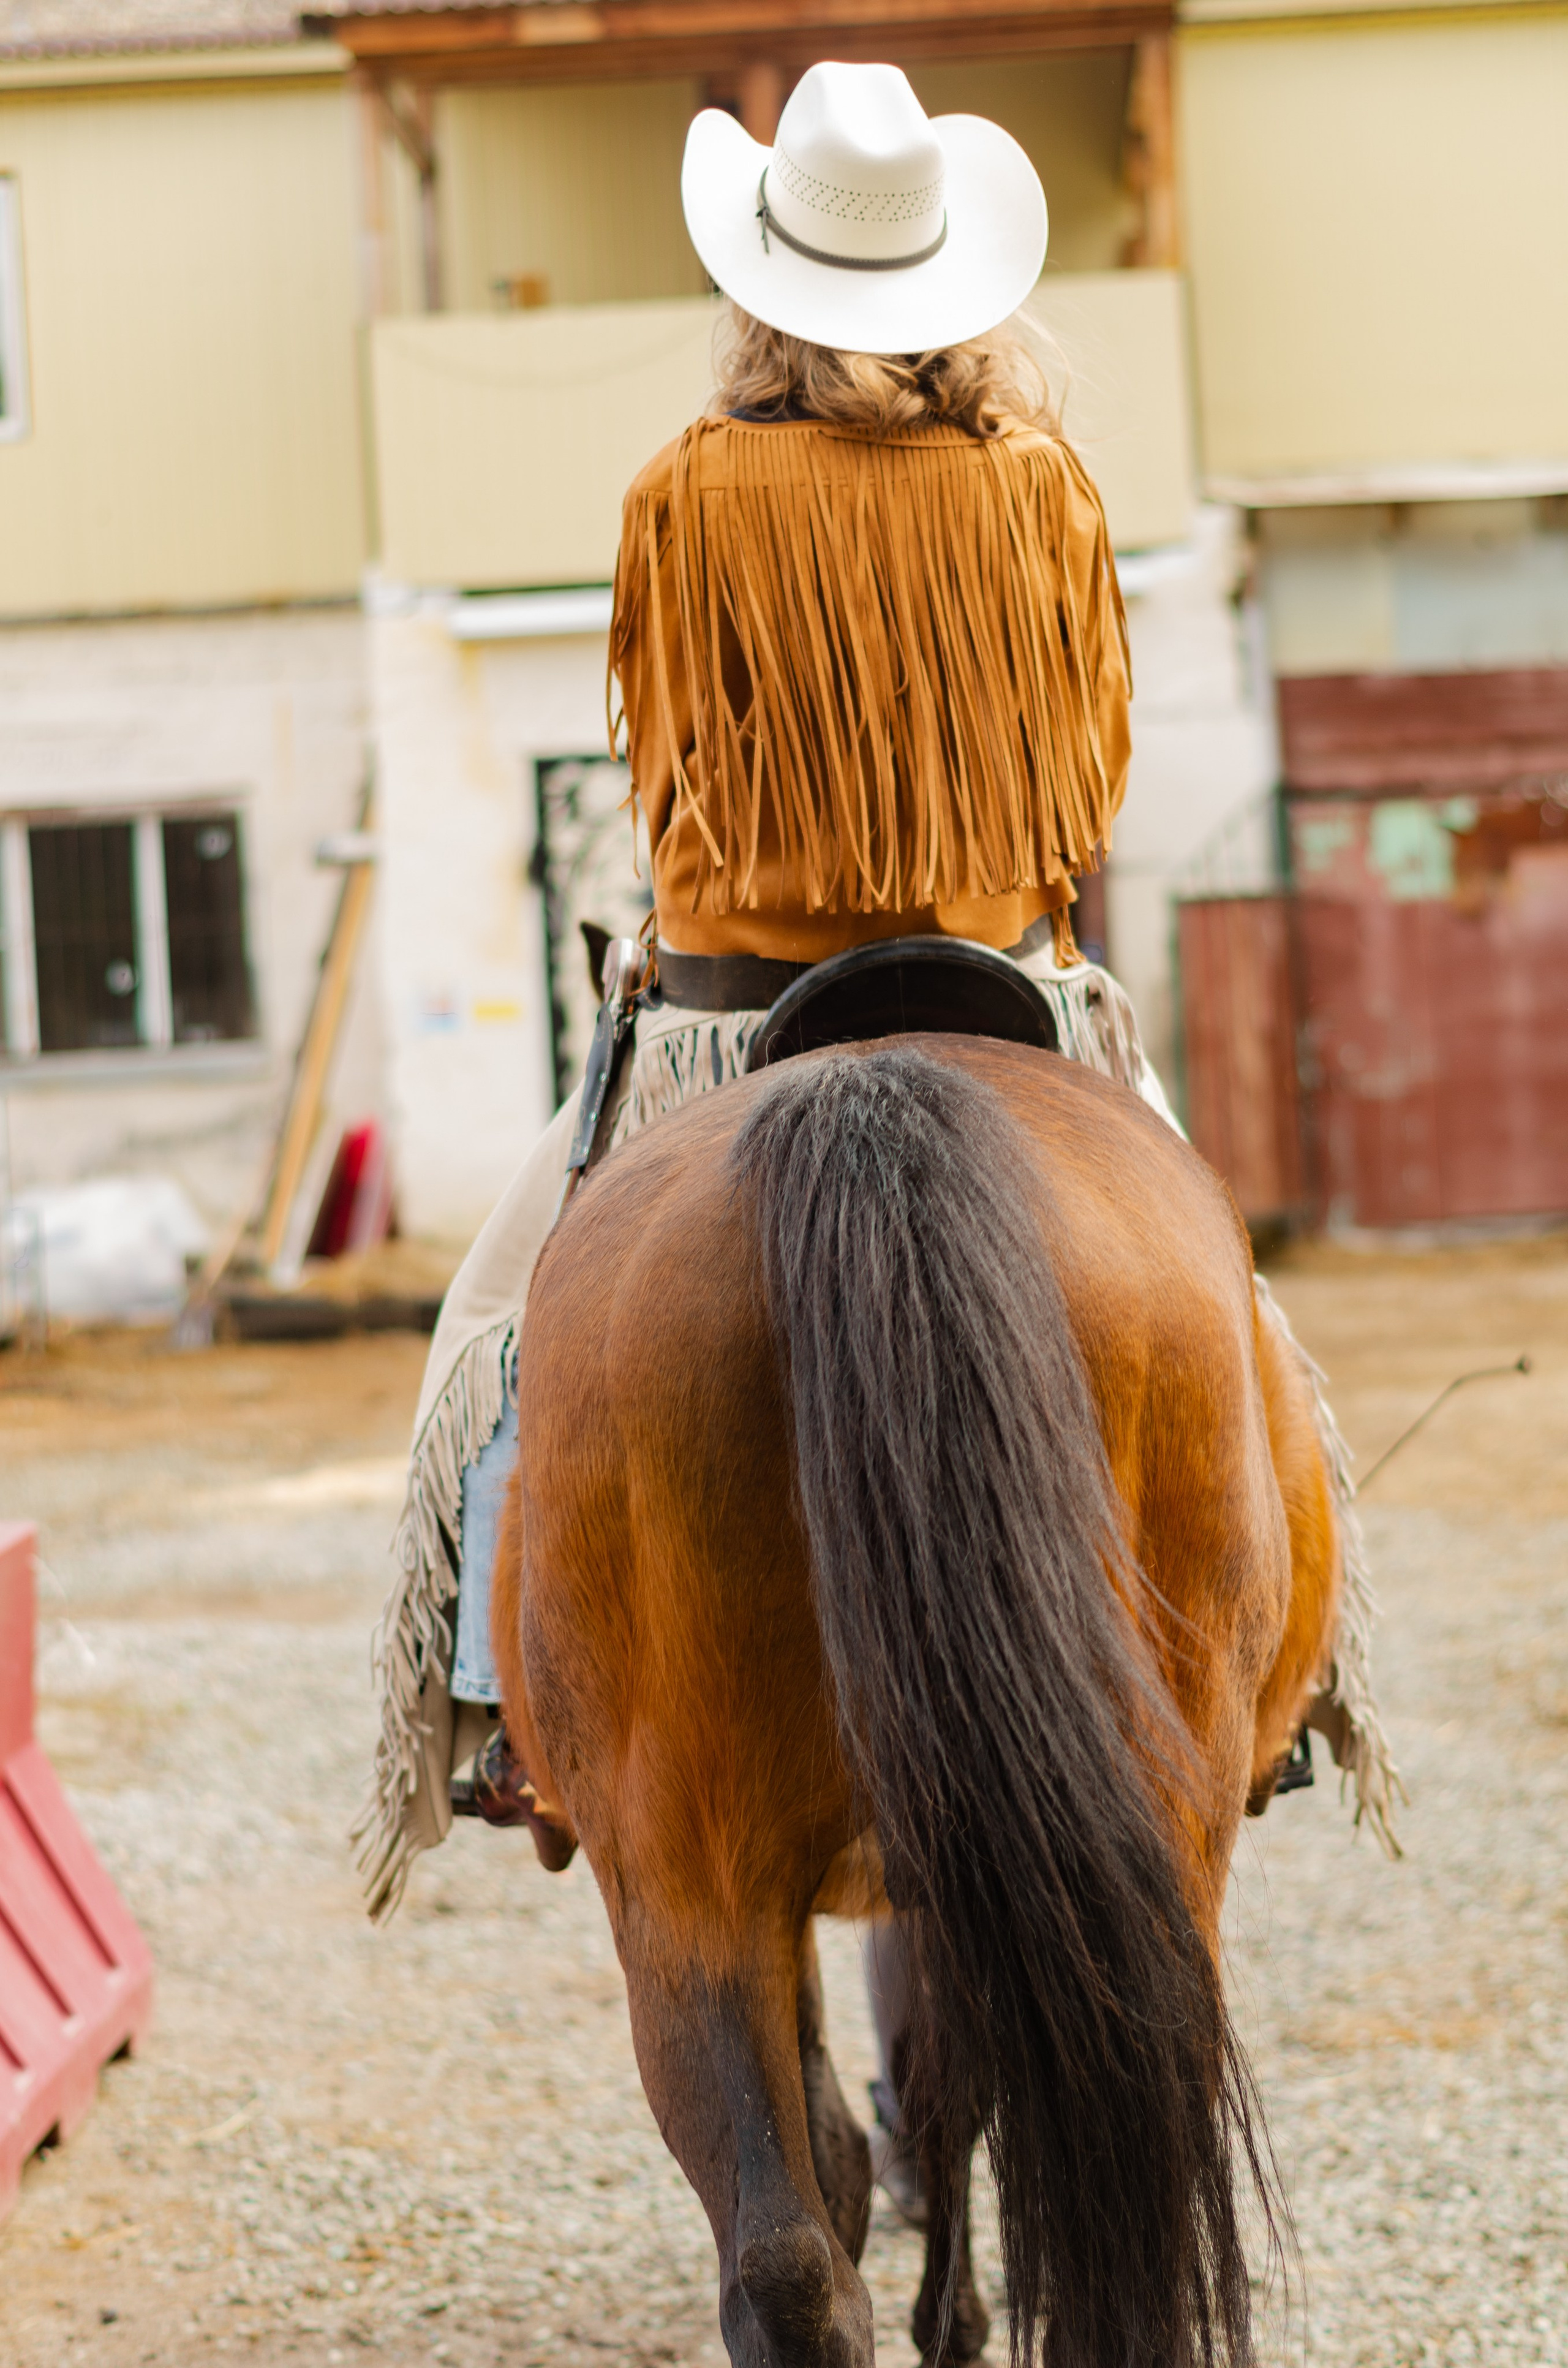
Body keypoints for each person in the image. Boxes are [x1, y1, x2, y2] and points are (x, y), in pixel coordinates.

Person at [355, 58, 1179, 2209]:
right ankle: (1290, 1681)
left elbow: (674, 779)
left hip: (729, 1030)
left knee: (492, 1343)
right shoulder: (1047, 491)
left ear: (765, 280)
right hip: (1023, 1001)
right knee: (1234, 1324)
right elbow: (1087, 789)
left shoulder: (685, 493)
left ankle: (498, 1706)